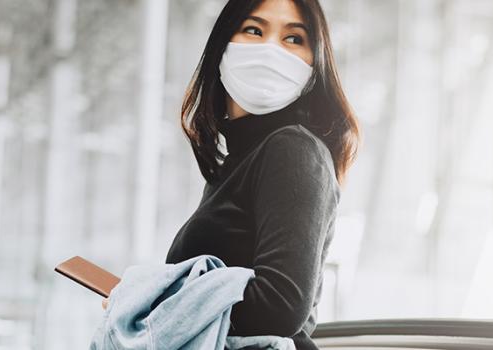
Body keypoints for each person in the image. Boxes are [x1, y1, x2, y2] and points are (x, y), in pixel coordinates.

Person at [105, 1, 360, 349]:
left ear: (314, 65)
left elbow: (281, 305)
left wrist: (151, 304)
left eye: (293, 38)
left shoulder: (292, 149)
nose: (271, 50)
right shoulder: (234, 163)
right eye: (254, 30)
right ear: (222, 45)